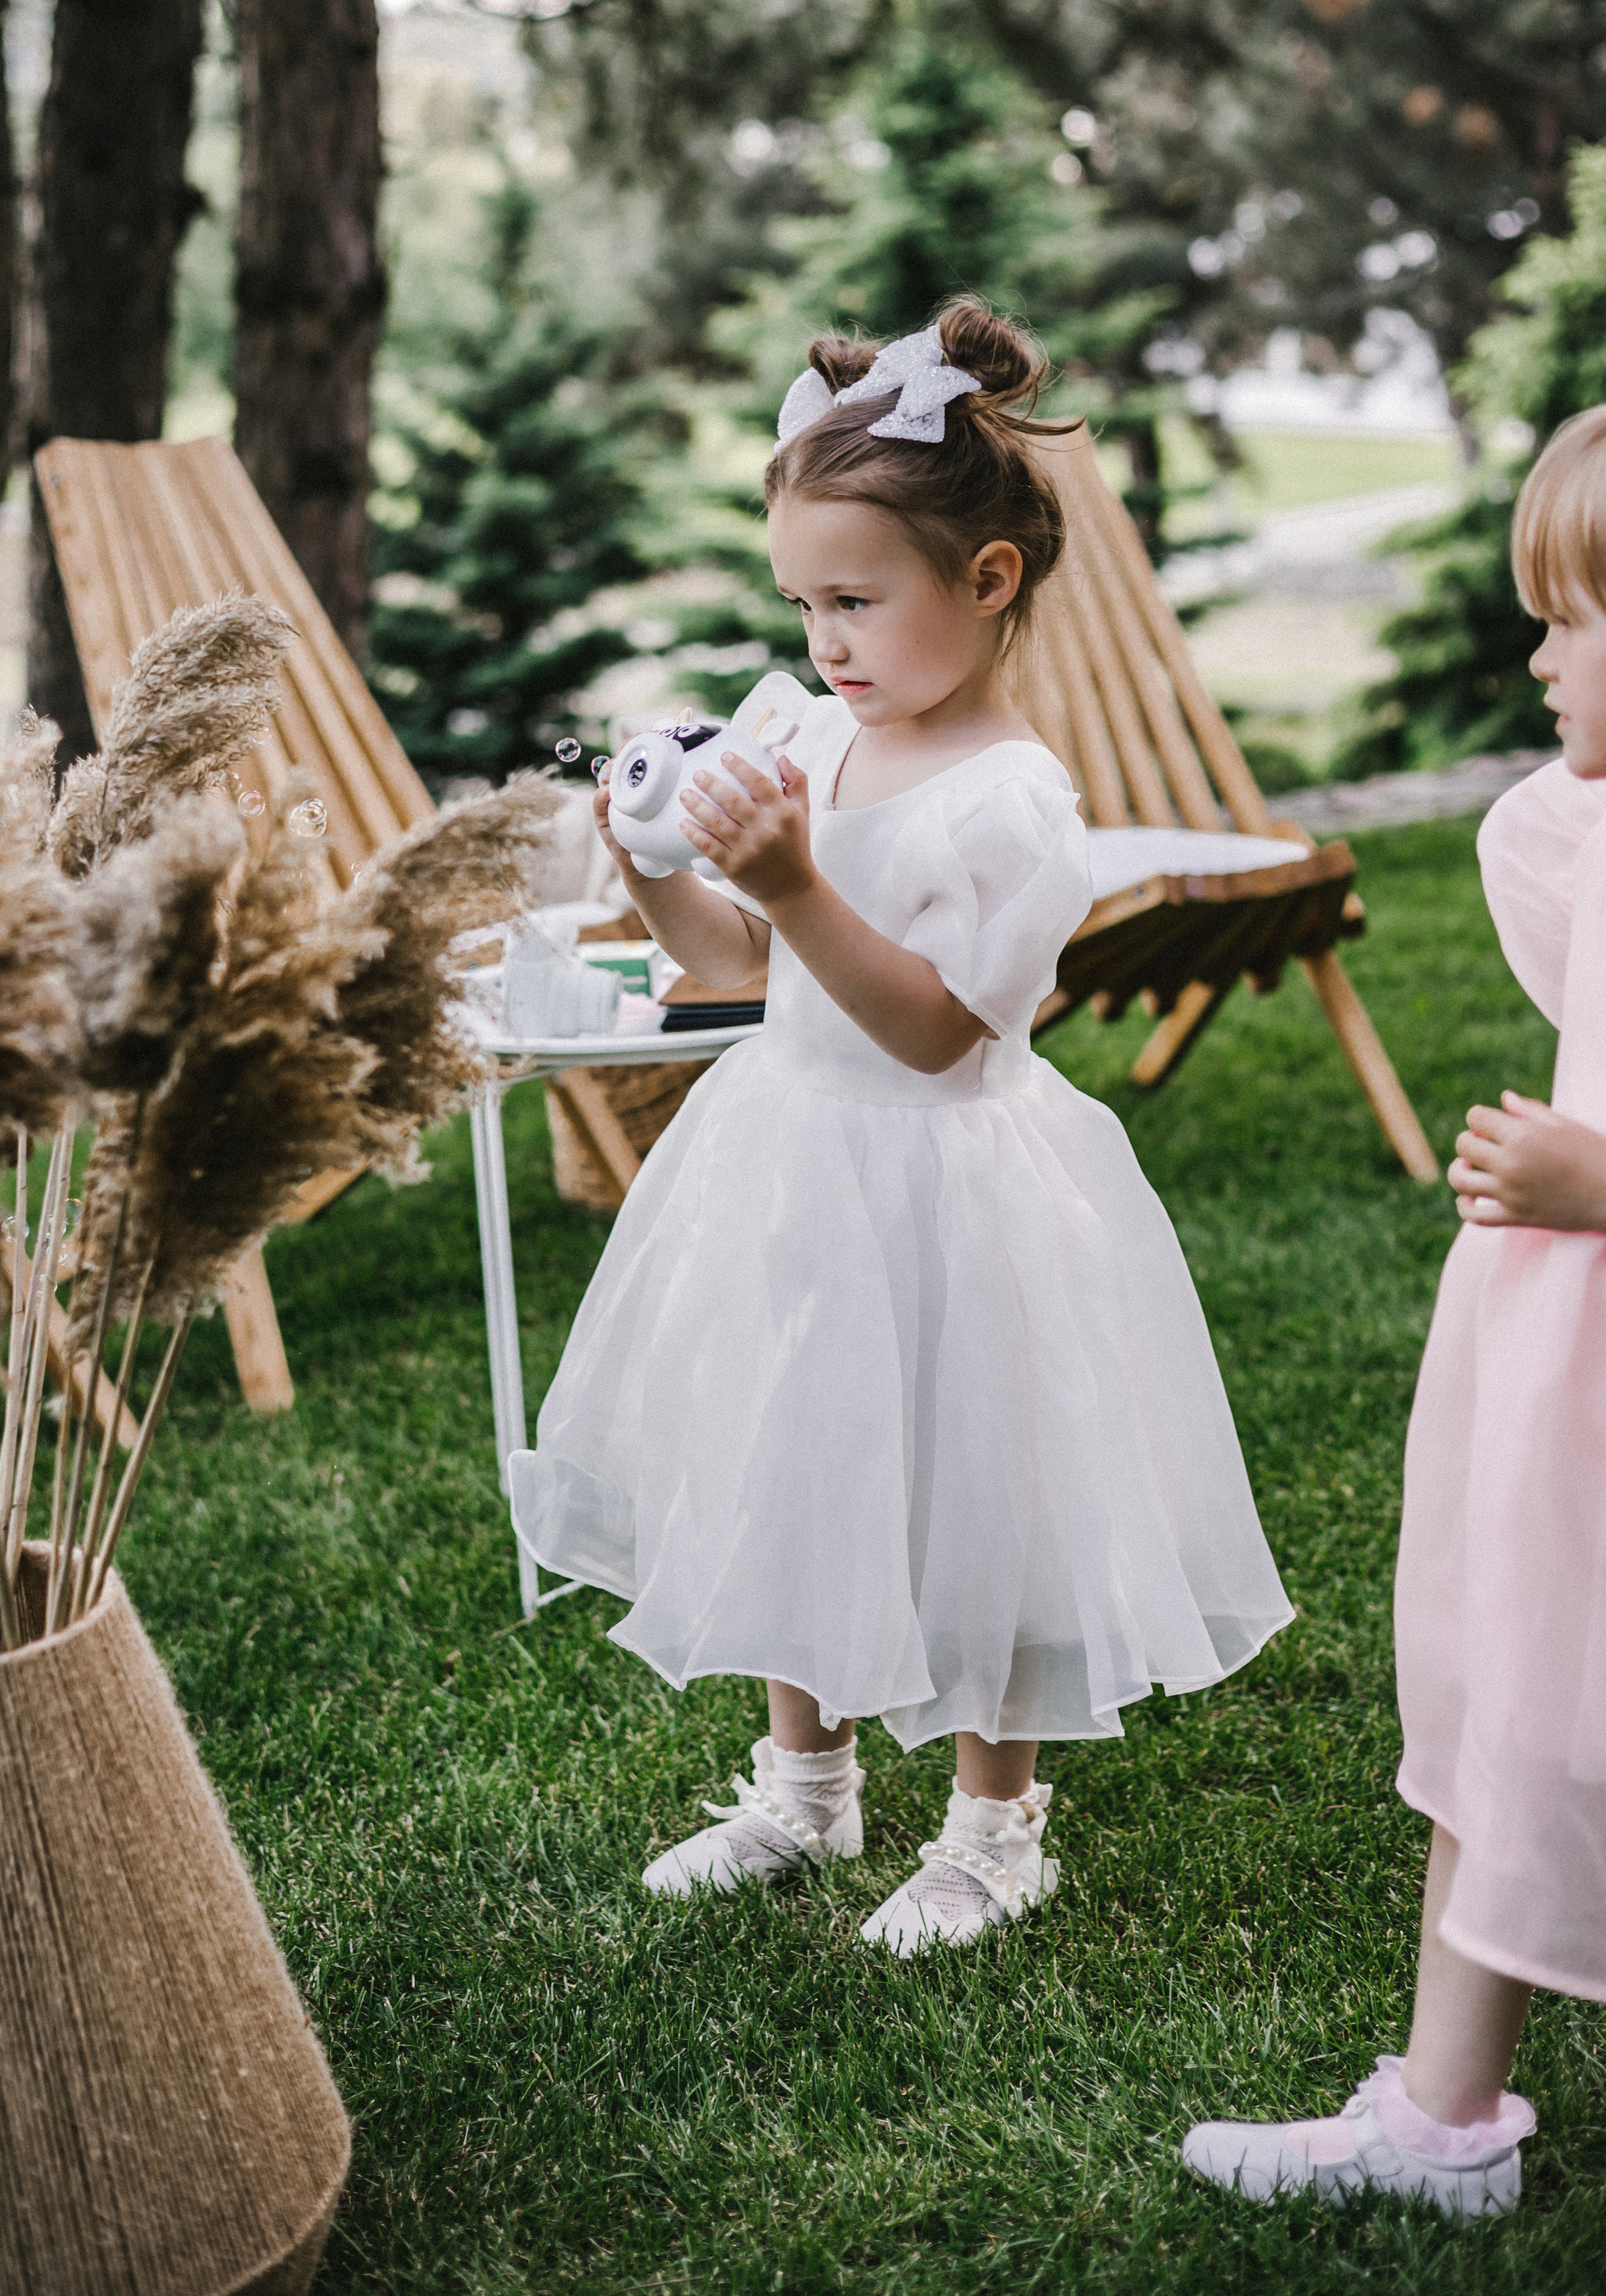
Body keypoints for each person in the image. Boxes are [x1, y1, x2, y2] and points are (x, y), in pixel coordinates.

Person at [510, 300, 1292, 1955]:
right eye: (802, 603)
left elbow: (937, 1032)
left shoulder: (1010, 804)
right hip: (788, 1155)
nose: (824, 641)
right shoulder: (809, 736)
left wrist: (795, 881)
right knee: (797, 1450)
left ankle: (994, 1822)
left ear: (987, 582)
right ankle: (803, 1784)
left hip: (947, 1178)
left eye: (855, 601)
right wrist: (658, 868)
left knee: (972, 1488)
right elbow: (736, 969)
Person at [1184, 404, 1606, 2215]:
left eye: (1571, 618)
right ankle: (1444, 2121)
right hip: (1555, 1386)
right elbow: (1541, 856)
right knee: (1511, 1712)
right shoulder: (1582, 833)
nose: (1535, 657)